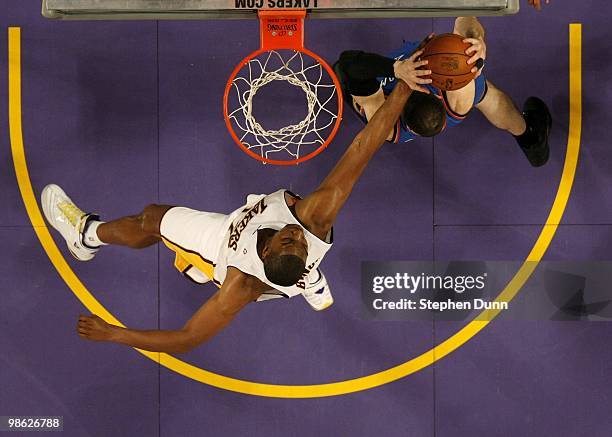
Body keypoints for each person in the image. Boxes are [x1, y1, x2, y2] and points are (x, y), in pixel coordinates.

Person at [41, 75, 417, 354]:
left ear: (268, 251)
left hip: (222, 245)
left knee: (152, 220)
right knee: (301, 251)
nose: (296, 233)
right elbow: (362, 149)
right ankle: (310, 280)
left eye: (290, 239)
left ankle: (86, 235)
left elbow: (185, 338)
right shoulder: (314, 220)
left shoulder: (240, 285)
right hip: (273, 253)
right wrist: (402, 88)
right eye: (299, 240)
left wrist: (114, 333)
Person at [334, 16, 552, 167]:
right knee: (489, 96)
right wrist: (476, 41)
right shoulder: (457, 97)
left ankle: (529, 137)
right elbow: (464, 15)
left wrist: (396, 69)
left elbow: (348, 64)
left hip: (369, 88)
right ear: (436, 93)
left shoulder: (384, 122)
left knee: (348, 77)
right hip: (455, 103)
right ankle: (530, 137)